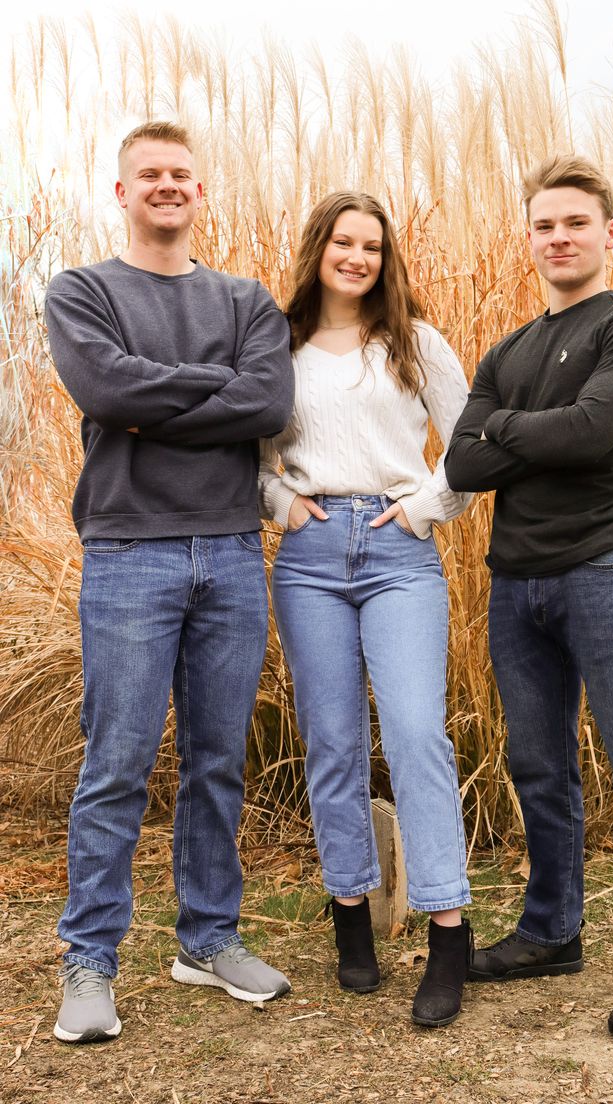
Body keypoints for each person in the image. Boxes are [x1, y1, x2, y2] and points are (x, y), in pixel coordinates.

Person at [444, 154, 613, 1042]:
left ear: (610, 231)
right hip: (514, 584)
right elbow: (463, 462)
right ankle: (552, 932)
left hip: (604, 572)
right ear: (528, 239)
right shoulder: (507, 349)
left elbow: (598, 430)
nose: (559, 238)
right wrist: (538, 438)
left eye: (575, 223)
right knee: (540, 769)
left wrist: (511, 431)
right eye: (544, 226)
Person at [45, 121, 294, 1043]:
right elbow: (107, 395)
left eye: (181, 174)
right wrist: (207, 396)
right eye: (148, 174)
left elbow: (268, 403)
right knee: (115, 766)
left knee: (217, 761)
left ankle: (208, 939)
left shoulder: (245, 300)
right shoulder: (83, 292)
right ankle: (89, 961)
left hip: (231, 551)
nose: (166, 185)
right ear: (120, 191)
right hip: (129, 553)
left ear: (202, 191)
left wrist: (163, 403)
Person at [259, 192, 473, 1027]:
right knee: (335, 741)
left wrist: (425, 507)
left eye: (372, 246)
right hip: (309, 559)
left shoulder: (417, 343)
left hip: (397, 552)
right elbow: (245, 455)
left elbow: (472, 442)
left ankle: (448, 929)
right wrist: (281, 501)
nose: (356, 257)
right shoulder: (274, 345)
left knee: (418, 730)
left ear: (386, 259)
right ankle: (351, 915)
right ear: (318, 248)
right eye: (343, 242)